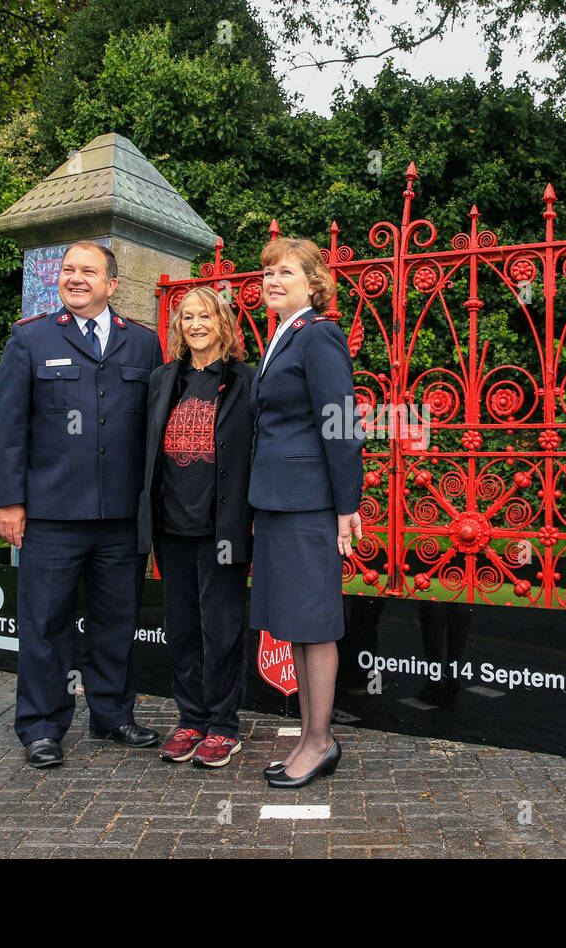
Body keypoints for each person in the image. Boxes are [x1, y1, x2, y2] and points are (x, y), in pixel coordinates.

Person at [0, 241, 162, 768]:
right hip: (52, 515)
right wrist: (10, 502)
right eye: (68, 270)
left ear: (113, 284)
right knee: (45, 625)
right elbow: (9, 429)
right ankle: (42, 727)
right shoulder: (30, 338)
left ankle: (113, 715)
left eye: (88, 271)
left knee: (116, 622)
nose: (76, 278)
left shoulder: (145, 345)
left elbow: (151, 434)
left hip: (120, 519)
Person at [249, 237, 364, 788]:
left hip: (309, 504)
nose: (272, 279)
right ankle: (308, 735)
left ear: (313, 284)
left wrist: (347, 507)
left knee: (315, 625)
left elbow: (340, 423)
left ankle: (320, 743)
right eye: (267, 272)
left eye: (285, 272)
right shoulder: (282, 336)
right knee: (295, 622)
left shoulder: (318, 335)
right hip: (277, 503)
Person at [137, 287, 254, 767]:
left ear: (222, 321)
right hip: (171, 526)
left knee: (221, 628)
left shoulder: (245, 380)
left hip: (222, 528)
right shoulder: (165, 378)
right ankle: (190, 721)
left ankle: (223, 726)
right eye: (187, 316)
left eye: (205, 315)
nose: (196, 323)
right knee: (181, 627)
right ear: (178, 326)